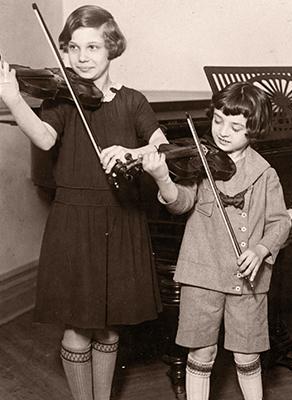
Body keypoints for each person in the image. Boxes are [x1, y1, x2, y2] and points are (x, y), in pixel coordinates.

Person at [0, 5, 167, 400]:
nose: (82, 57)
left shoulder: (133, 101)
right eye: (73, 48)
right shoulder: (62, 101)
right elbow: (43, 138)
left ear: (112, 48)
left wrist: (133, 152)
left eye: (93, 46)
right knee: (76, 328)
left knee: (109, 327)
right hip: (73, 221)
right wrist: (12, 98)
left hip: (119, 218)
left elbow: (160, 145)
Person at [142, 81, 291, 400]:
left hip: (247, 279)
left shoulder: (265, 174)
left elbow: (280, 223)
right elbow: (180, 203)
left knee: (247, 356)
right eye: (218, 120)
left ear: (254, 129)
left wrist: (261, 249)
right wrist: (162, 178)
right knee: (201, 353)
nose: (223, 131)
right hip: (202, 274)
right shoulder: (201, 165)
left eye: (236, 126)